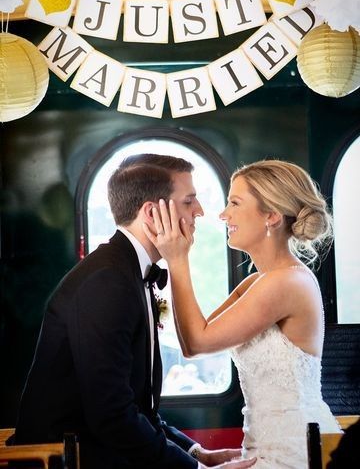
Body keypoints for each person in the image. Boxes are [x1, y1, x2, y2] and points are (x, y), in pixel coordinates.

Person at [13, 153, 256, 469]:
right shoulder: (108, 282)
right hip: (69, 461)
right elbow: (112, 414)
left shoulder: (127, 270)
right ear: (153, 213)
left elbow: (142, 407)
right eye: (189, 201)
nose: (200, 211)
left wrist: (195, 453)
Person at [144, 159, 341, 469]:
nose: (223, 215)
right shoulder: (258, 281)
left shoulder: (286, 283)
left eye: (234, 203)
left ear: (272, 216)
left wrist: (178, 259)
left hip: (295, 454)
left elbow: (197, 341)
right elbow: (192, 338)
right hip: (259, 450)